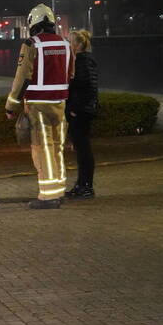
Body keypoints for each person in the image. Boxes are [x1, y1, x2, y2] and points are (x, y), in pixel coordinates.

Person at [5, 4, 74, 210]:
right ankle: (59, 190)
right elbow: (71, 74)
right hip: (60, 104)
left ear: (33, 23)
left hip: (38, 105)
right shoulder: (66, 43)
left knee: (43, 150)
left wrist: (11, 105)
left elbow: (22, 78)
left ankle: (48, 196)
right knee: (57, 148)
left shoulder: (31, 44)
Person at [65, 29, 98, 199]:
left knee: (83, 149)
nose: (67, 44)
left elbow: (87, 87)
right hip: (83, 110)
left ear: (77, 44)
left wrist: (75, 108)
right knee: (81, 149)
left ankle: (85, 186)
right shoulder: (83, 61)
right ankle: (82, 184)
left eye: (69, 41)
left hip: (80, 112)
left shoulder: (82, 62)